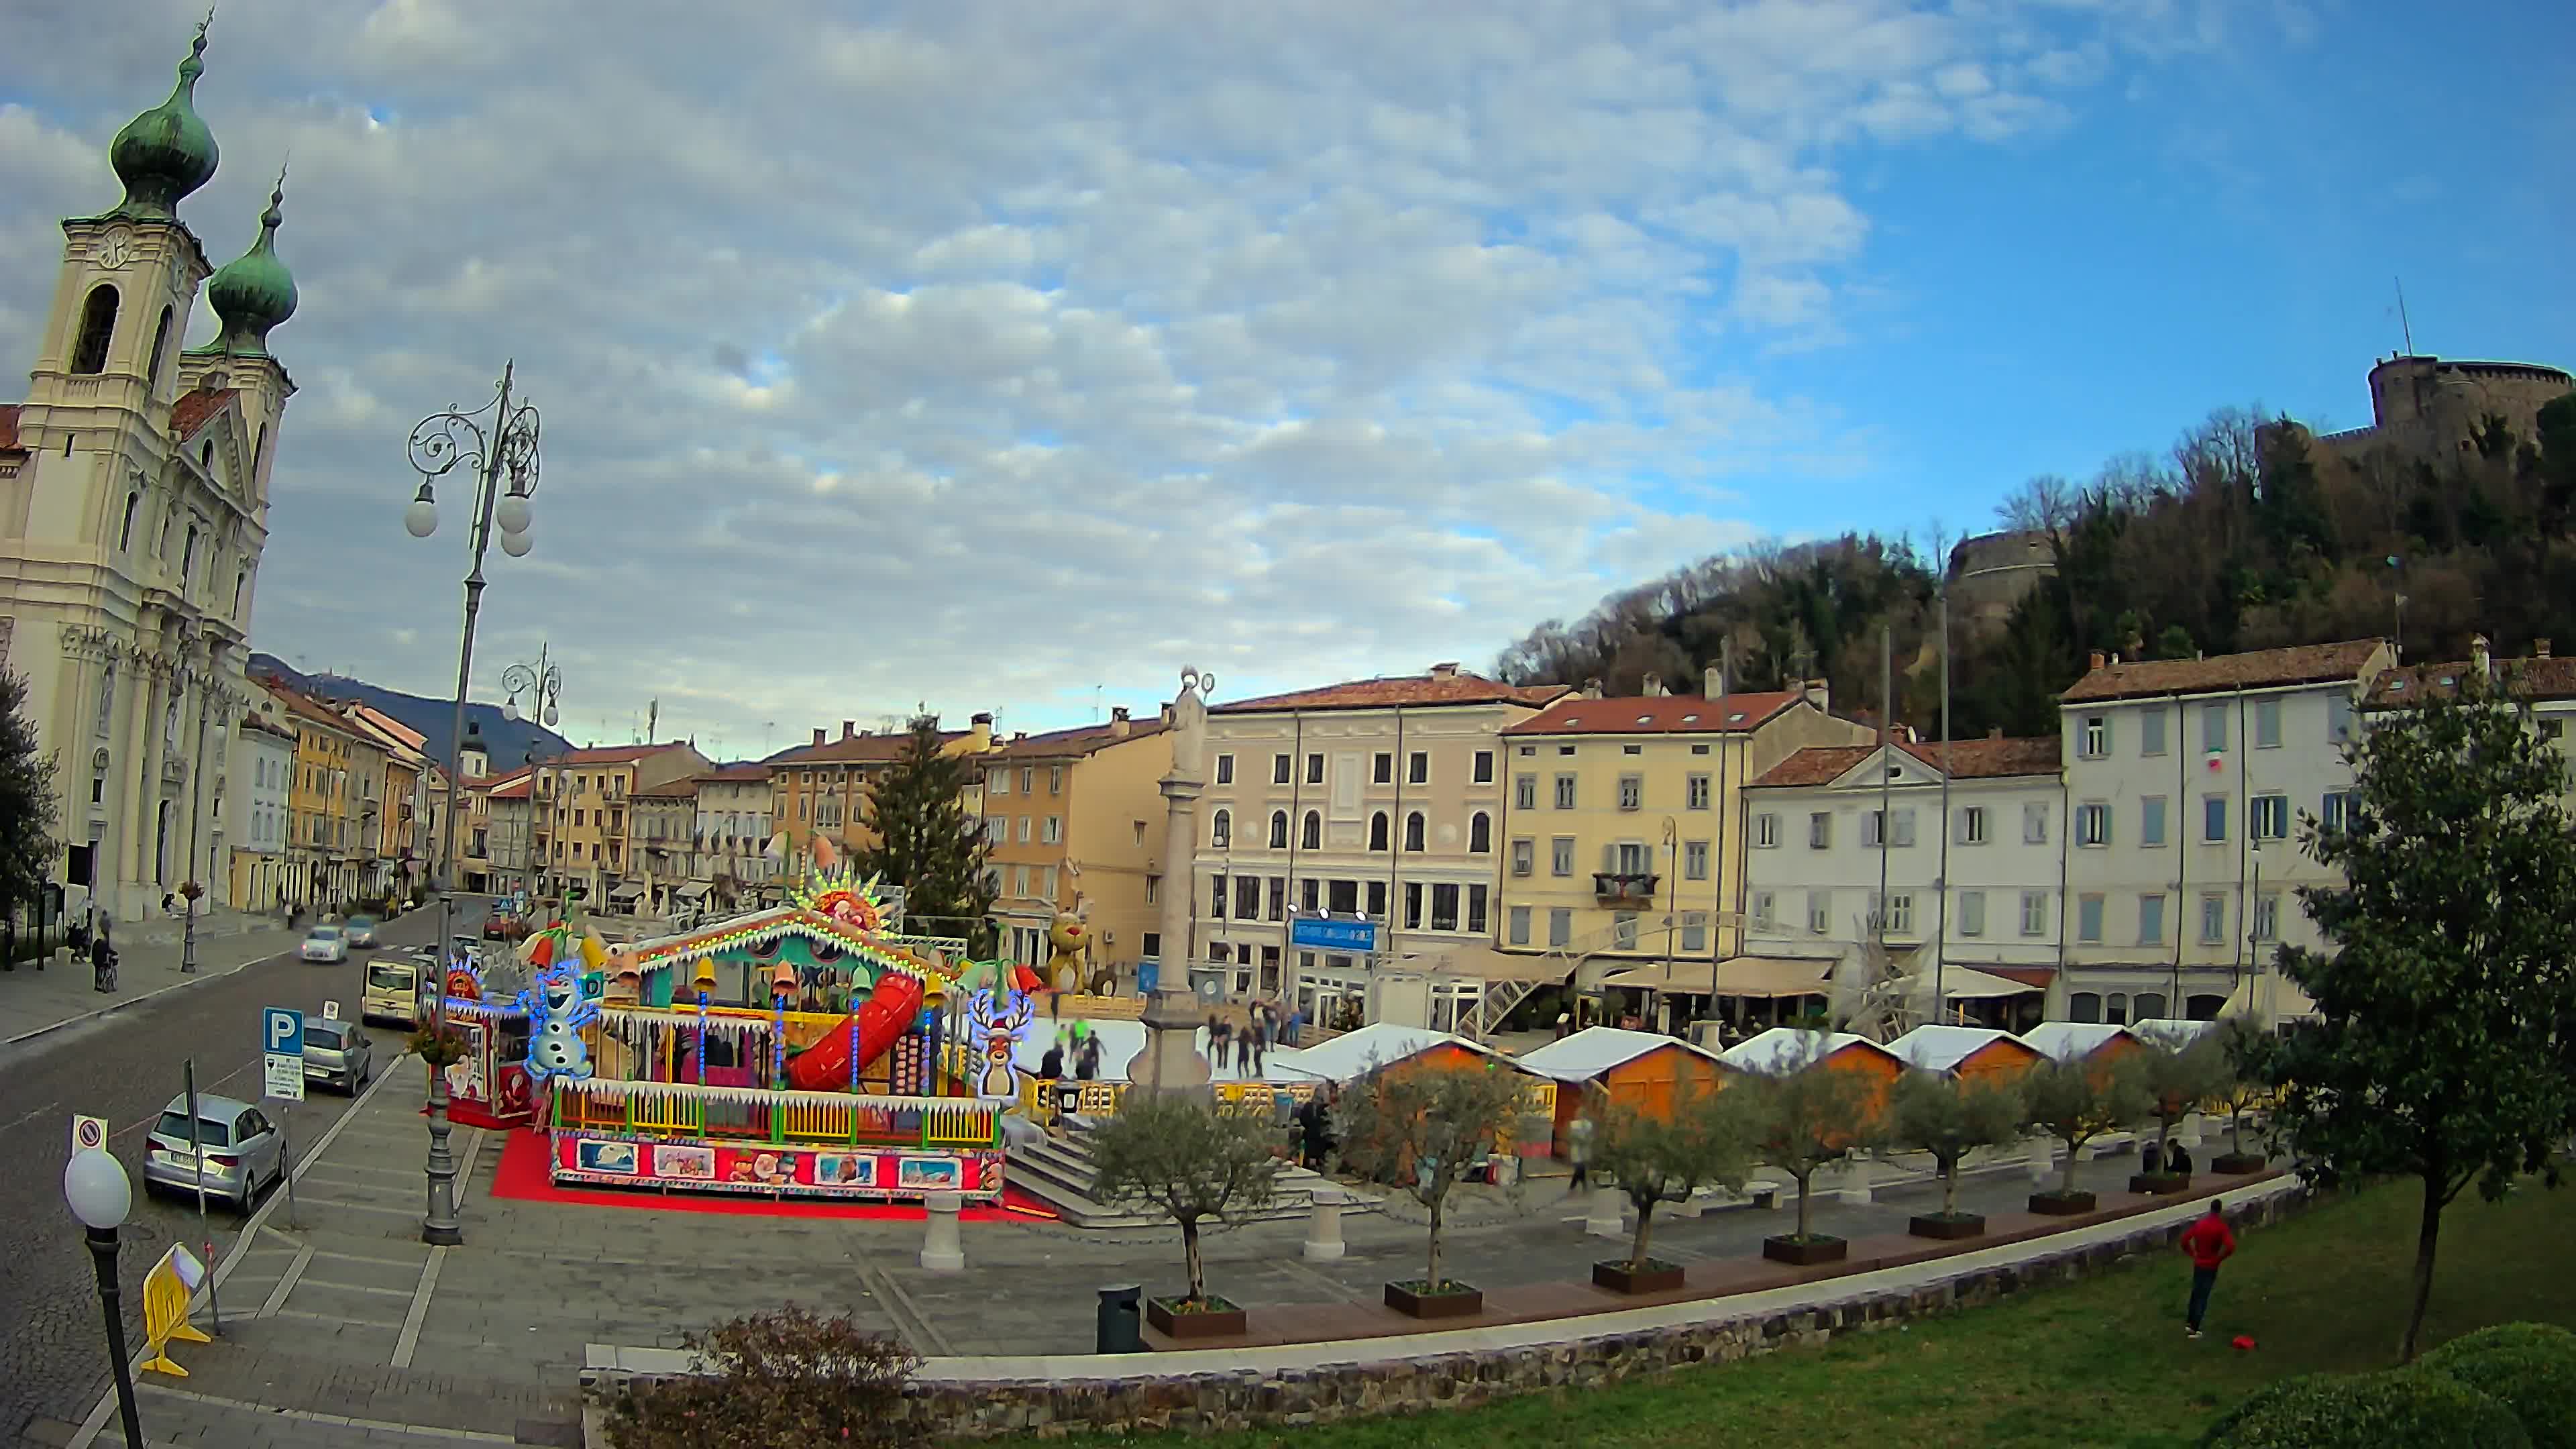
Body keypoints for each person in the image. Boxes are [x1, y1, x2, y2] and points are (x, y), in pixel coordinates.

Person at [2179, 1198, 2237, 1340]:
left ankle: (2190, 1322)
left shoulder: (2200, 1224)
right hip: (2211, 1264)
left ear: (2210, 1209)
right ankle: (2196, 1328)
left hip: (2199, 1263)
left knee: (2195, 1292)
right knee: (2203, 1296)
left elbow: (2184, 1240)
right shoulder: (2221, 1227)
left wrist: (2193, 1254)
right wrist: (2219, 1258)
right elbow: (2231, 1246)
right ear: (2220, 1210)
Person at [1566, 1113, 1597, 1192]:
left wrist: (1588, 1140)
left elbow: (1591, 1137)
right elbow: (1570, 1136)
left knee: (1580, 1168)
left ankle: (1575, 1185)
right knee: (1580, 1167)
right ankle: (1581, 1185)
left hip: (1584, 1150)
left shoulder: (1588, 1125)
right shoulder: (1574, 1125)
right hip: (1577, 1150)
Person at [91, 920, 117, 994]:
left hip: (95, 961)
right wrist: (115, 953)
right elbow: (109, 950)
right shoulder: (104, 944)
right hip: (102, 961)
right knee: (106, 968)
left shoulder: (96, 942)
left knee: (97, 972)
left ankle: (97, 985)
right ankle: (105, 982)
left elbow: (93, 951)